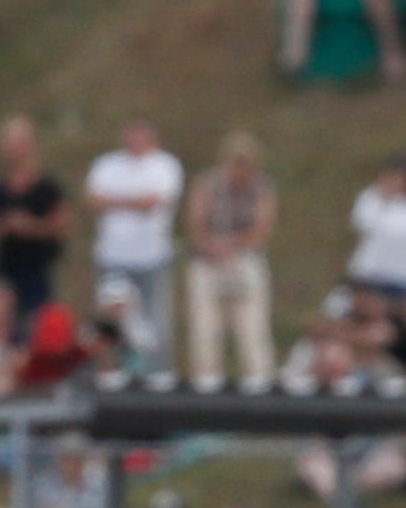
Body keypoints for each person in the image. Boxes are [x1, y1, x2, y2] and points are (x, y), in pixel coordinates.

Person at [82, 117, 186, 367]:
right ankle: (110, 370)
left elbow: (153, 203)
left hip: (151, 257)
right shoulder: (106, 165)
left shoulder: (164, 165)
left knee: (152, 321)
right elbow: (93, 200)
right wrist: (133, 202)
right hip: (113, 256)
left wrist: (115, 201)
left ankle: (155, 372)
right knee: (110, 320)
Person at [180, 134, 277, 387]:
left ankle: (259, 384)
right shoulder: (207, 183)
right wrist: (210, 245)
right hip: (208, 261)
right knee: (205, 330)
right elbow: (195, 221)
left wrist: (232, 245)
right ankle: (207, 385)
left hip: (244, 260)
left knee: (252, 330)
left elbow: (262, 228)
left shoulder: (261, 187)